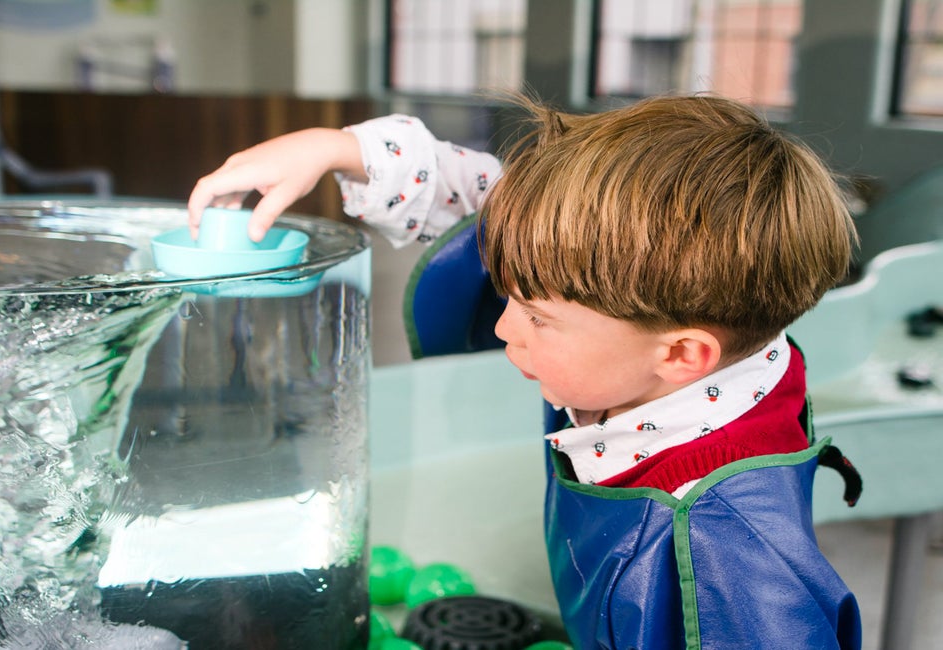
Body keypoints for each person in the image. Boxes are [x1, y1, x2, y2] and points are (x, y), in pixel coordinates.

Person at [188, 94, 864, 649]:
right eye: (508, 293)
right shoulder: (698, 320)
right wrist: (337, 150)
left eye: (538, 317)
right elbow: (488, 195)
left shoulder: (730, 563)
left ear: (683, 355)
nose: (505, 325)